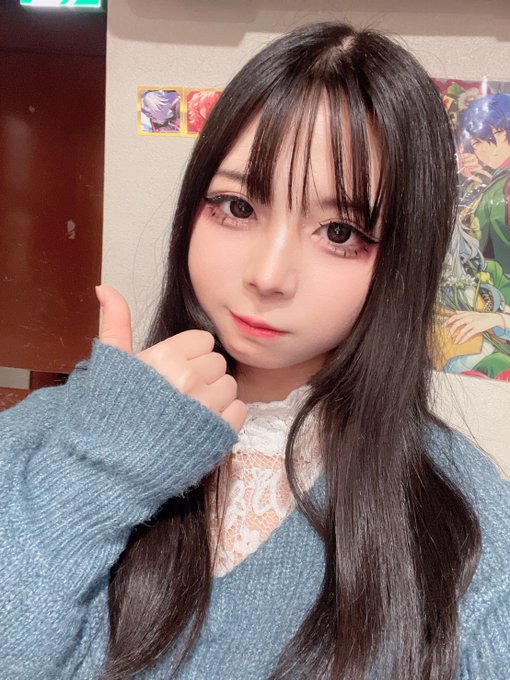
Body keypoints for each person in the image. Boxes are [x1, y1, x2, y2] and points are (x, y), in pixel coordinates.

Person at [1, 22, 509, 680]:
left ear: (403, 260)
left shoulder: (462, 517)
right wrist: (101, 469)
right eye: (238, 206)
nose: (269, 276)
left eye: (340, 232)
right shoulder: (46, 436)